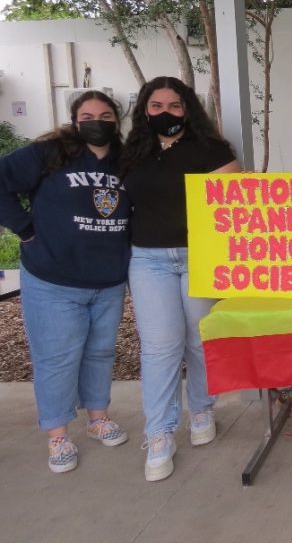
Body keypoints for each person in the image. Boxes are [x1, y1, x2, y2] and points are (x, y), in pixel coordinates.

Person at [0, 91, 131, 473]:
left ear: (116, 120)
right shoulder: (50, 153)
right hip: (53, 277)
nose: (97, 121)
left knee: (99, 353)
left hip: (107, 280)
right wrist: (25, 229)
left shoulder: (127, 159)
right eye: (87, 115)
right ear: (75, 121)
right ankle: (57, 436)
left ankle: (98, 417)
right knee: (57, 359)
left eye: (105, 115)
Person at [121, 76, 240, 482]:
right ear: (144, 110)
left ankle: (203, 409)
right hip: (148, 259)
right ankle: (160, 433)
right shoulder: (132, 153)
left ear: (188, 108)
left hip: (200, 258)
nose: (166, 113)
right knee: (159, 347)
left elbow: (234, 204)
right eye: (157, 106)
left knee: (199, 338)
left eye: (175, 105)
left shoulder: (212, 150)